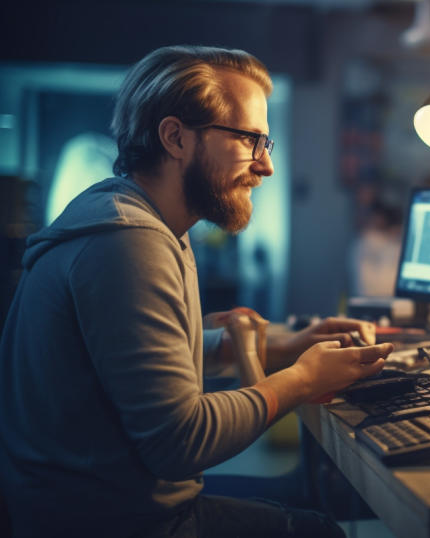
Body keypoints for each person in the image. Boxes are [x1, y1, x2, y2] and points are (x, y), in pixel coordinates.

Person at [0, 45, 393, 537]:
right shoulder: (127, 243)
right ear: (175, 137)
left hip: (100, 508)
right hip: (110, 523)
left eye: (265, 145)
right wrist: (301, 380)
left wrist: (281, 347)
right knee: (321, 528)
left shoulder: (147, 222)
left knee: (313, 496)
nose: (265, 166)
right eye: (251, 140)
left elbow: (134, 361)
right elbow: (180, 442)